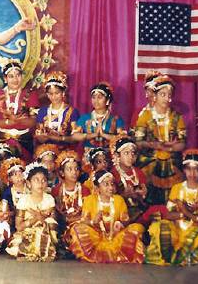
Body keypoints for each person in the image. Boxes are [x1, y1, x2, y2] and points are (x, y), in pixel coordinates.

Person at [145, 149, 198, 266]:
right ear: (184, 170)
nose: (192, 173)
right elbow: (168, 215)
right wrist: (187, 214)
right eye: (189, 169)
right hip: (175, 230)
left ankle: (180, 258)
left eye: (196, 169)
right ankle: (171, 257)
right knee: (162, 227)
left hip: (193, 231)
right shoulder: (177, 188)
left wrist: (186, 211)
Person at [65, 170, 145, 263]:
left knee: (137, 228)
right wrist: (93, 222)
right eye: (106, 184)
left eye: (112, 184)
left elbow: (126, 220)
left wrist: (120, 224)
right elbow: (83, 221)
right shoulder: (90, 200)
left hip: (116, 237)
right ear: (97, 187)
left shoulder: (119, 200)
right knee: (77, 229)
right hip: (96, 237)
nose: (110, 187)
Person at [134, 75, 186, 205]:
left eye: (169, 95)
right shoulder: (145, 116)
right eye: (163, 94)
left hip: (173, 161)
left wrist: (168, 148)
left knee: (172, 198)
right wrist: (155, 145)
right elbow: (138, 142)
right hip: (150, 161)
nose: (167, 98)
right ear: (155, 96)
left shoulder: (176, 117)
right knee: (150, 194)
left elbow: (182, 143)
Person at [0, 60, 39, 161]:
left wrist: (16, 120)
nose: (15, 79)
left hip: (24, 140)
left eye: (18, 75)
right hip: (1, 140)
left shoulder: (30, 94)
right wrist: (8, 122)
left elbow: (33, 121)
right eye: (11, 76)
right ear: (5, 79)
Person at [5, 162, 58, 262]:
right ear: (29, 183)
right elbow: (18, 226)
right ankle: (33, 251)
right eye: (36, 180)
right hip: (26, 232)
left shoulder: (49, 199)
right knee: (17, 245)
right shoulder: (24, 200)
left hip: (44, 232)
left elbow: (53, 224)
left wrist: (41, 218)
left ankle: (41, 250)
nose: (40, 183)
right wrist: (34, 219)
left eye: (44, 180)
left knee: (46, 226)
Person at [34, 71, 80, 150]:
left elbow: (75, 138)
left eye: (57, 93)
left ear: (63, 93)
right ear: (47, 94)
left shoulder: (72, 112)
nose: (54, 97)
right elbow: (39, 135)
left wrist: (59, 138)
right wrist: (41, 137)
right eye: (50, 94)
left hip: (65, 151)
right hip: (46, 151)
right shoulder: (42, 111)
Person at [74, 82, 125, 152]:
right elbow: (74, 136)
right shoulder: (84, 118)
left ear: (107, 100)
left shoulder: (116, 120)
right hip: (88, 157)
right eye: (93, 97)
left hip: (109, 156)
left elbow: (123, 139)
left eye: (100, 97)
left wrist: (104, 135)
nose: (96, 100)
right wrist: (93, 135)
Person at [110, 136, 148, 223]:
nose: (131, 156)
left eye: (133, 153)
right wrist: (124, 196)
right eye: (126, 153)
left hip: (139, 211)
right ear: (117, 155)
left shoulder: (139, 173)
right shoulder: (112, 175)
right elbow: (109, 200)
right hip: (119, 215)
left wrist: (143, 194)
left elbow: (144, 196)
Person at [51, 150, 90, 233]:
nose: (74, 172)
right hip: (61, 227)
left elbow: (87, 214)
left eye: (76, 169)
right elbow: (55, 215)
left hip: (81, 227)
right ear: (62, 173)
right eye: (70, 169)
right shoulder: (56, 190)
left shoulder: (85, 190)